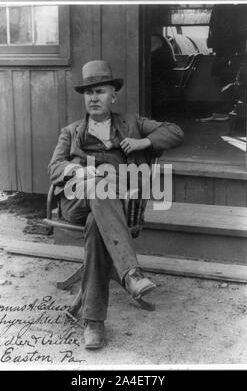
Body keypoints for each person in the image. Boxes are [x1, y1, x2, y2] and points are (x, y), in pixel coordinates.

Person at [48, 60, 184, 349]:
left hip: (117, 207)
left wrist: (142, 144)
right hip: (76, 200)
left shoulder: (132, 124)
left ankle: (93, 322)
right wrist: (81, 171)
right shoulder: (71, 131)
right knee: (99, 188)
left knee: (98, 224)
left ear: (114, 96)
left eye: (99, 91)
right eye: (88, 93)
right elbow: (55, 168)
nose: (93, 98)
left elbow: (175, 132)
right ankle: (131, 274)